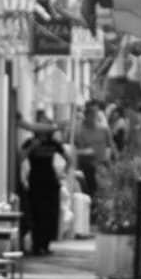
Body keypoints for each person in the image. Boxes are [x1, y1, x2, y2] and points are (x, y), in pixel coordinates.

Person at [20, 114, 67, 255]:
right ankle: (36, 245)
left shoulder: (53, 143)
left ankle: (46, 244)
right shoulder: (30, 142)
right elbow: (21, 158)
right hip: (35, 182)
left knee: (50, 214)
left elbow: (68, 158)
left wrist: (62, 174)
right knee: (36, 213)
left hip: (51, 181)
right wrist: (31, 148)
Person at [74, 100, 112, 216]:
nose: (92, 118)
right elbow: (76, 151)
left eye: (94, 115)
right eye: (90, 115)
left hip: (103, 166)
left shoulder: (104, 129)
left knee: (104, 191)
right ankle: (93, 214)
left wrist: (108, 160)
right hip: (87, 167)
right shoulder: (80, 132)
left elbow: (110, 146)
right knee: (91, 192)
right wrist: (85, 152)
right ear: (86, 116)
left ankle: (102, 213)